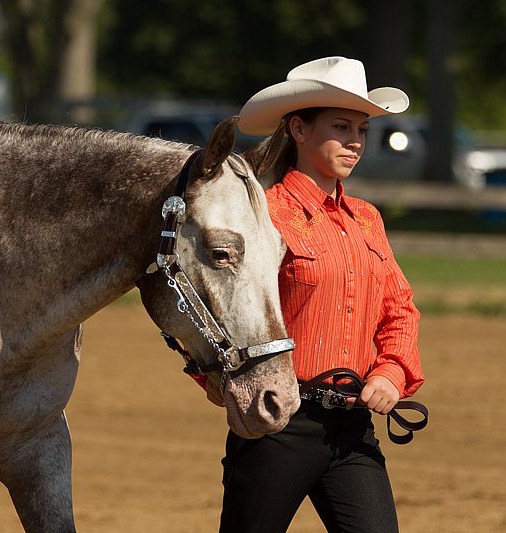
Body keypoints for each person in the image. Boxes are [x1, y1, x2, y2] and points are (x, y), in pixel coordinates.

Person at [204, 56, 425, 532]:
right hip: (279, 422)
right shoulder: (263, 216)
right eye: (341, 126)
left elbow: (399, 310)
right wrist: (218, 382)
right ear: (299, 129)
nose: (355, 142)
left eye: (362, 130)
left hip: (353, 429)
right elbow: (215, 308)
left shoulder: (367, 218)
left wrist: (390, 372)